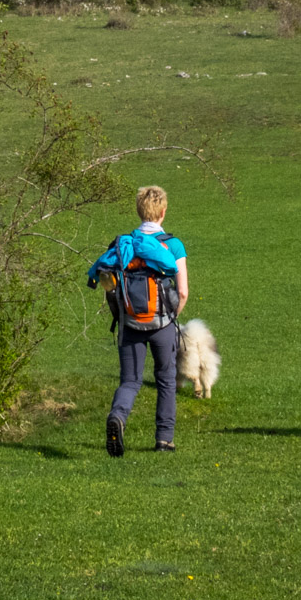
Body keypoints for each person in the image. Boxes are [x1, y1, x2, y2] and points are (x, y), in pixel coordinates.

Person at [96, 185, 189, 457]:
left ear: (139, 211)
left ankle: (118, 417)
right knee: (166, 380)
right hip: (162, 325)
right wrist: (171, 318)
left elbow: (110, 286)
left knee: (130, 381)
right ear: (163, 212)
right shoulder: (172, 245)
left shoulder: (123, 245)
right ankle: (164, 440)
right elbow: (182, 291)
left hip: (130, 324)